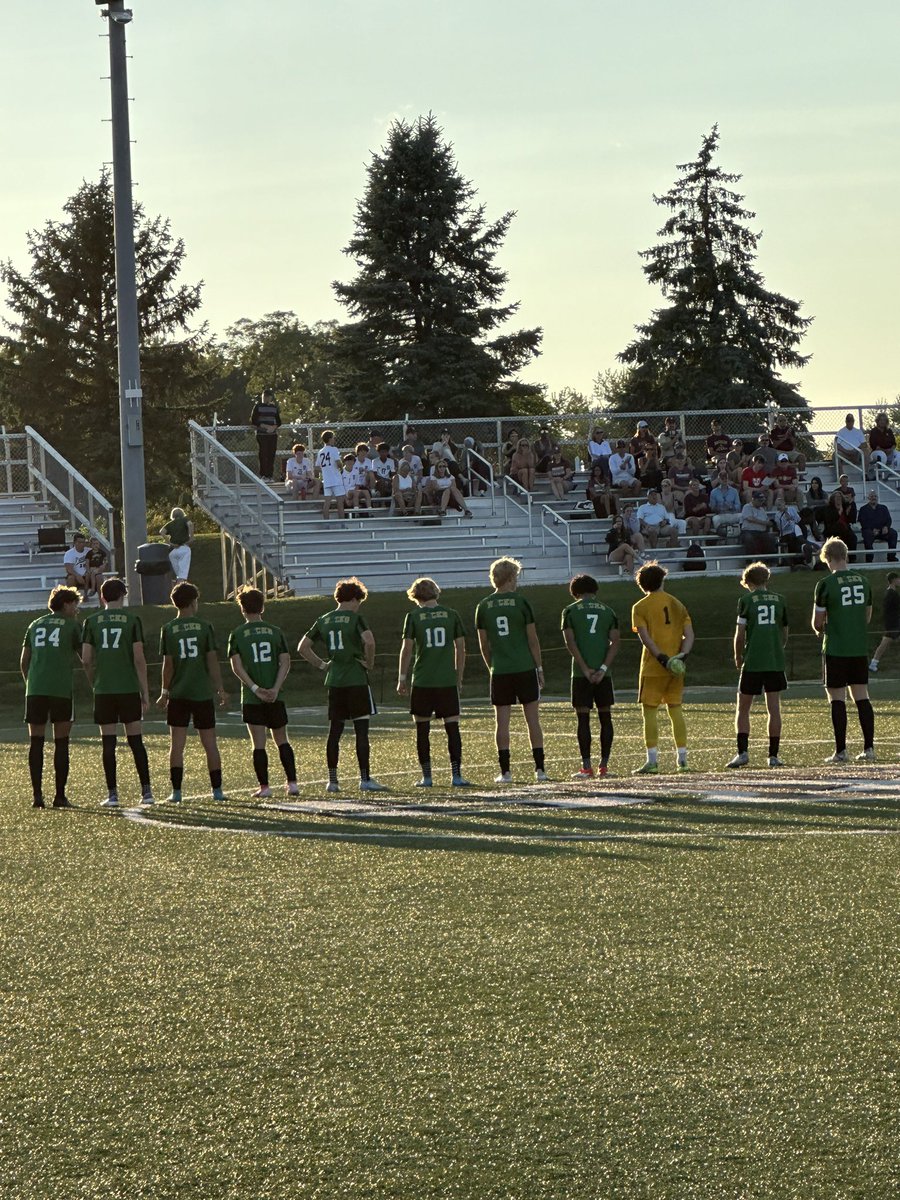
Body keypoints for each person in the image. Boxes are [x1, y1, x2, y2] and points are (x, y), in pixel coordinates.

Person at [297, 577, 386, 793]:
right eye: (359, 602)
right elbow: (370, 641)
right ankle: (365, 779)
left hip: (335, 680)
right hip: (356, 678)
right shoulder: (356, 618)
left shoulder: (324, 619)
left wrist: (322, 665)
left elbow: (303, 647)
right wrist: (370, 663)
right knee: (361, 731)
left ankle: (333, 781)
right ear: (354, 599)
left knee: (335, 731)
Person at [475, 557, 548, 783]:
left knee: (502, 722)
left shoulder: (484, 605)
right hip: (525, 667)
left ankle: (505, 772)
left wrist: (492, 667)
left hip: (501, 670)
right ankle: (540, 769)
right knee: (532, 720)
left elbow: (484, 645)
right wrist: (540, 667)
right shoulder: (521, 602)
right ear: (510, 578)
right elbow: (533, 640)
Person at [82, 577, 153, 807]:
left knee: (108, 743)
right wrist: (145, 692)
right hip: (128, 688)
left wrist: (94, 682)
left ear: (102, 596)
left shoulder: (91, 621)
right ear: (123, 595)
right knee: (136, 741)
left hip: (104, 689)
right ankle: (147, 792)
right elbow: (139, 658)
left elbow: (86, 660)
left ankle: (112, 794)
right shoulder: (132, 620)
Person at [157, 582, 228, 803]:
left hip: (178, 693)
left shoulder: (168, 628)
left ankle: (176, 792)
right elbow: (212, 661)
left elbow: (168, 665)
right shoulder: (204, 626)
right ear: (193, 602)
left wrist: (164, 691)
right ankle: (217, 791)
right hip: (201, 693)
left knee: (177, 745)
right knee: (210, 744)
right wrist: (220, 688)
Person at [397, 577, 470, 788]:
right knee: (452, 727)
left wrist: (402, 678)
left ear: (415, 595)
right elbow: (461, 648)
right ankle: (456, 775)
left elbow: (407, 650)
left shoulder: (413, 616)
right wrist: (459, 677)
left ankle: (427, 777)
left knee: (422, 728)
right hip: (446, 679)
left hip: (422, 680)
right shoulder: (451, 614)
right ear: (436, 592)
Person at [227, 585, 298, 800]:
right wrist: (275, 688)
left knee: (258, 744)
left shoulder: (237, 634)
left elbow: (236, 666)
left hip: (251, 696)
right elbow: (285, 661)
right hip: (276, 695)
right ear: (262, 607)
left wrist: (256, 689)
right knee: (282, 740)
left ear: (242, 609)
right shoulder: (275, 632)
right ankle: (292, 783)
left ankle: (265, 787)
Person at [812, 537, 874, 762]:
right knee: (862, 697)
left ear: (827, 558)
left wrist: (825, 628)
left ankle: (841, 750)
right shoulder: (864, 581)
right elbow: (867, 616)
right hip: (858, 646)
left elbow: (817, 623)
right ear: (845, 555)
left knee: (837, 698)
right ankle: (869, 748)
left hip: (836, 647)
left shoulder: (825, 584)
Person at [21, 585, 82, 808]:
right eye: (75, 604)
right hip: (61, 689)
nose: (77, 609)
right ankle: (60, 796)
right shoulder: (72, 626)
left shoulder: (34, 624)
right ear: (66, 604)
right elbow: (84, 656)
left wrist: (32, 682)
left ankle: (37, 797)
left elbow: (24, 661)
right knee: (61, 743)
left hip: (35, 689)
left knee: (36, 742)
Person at [632, 561, 693, 774]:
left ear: (641, 585)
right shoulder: (677, 603)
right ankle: (682, 760)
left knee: (649, 712)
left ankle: (652, 760)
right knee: (675, 710)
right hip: (676, 667)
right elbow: (689, 635)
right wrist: (681, 657)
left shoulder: (640, 607)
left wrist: (661, 658)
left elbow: (645, 638)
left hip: (653, 666)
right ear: (662, 580)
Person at [726, 563, 789, 769]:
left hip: (753, 660)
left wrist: (737, 654)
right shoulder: (780, 600)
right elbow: (785, 631)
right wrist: (777, 648)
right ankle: (773, 755)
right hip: (774, 660)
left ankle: (742, 752)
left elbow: (740, 633)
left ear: (748, 581)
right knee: (774, 709)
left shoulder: (745, 600)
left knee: (743, 707)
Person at [561, 574, 619, 778]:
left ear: (575, 592)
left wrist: (585, 669)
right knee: (605, 716)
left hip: (580, 673)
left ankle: (586, 766)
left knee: (583, 718)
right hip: (604, 673)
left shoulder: (569, 611)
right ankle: (604, 766)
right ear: (595, 590)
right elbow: (615, 642)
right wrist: (603, 668)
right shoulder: (608, 611)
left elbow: (570, 642)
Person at [869, 572, 900, 673]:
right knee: (884, 643)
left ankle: (873, 663)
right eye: (898, 579)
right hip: (893, 623)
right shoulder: (891, 594)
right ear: (894, 580)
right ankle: (873, 663)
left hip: (895, 622)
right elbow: (888, 610)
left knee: (884, 643)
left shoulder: (892, 593)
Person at [858, 490, 898, 563]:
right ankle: (869, 559)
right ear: (868, 498)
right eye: (872, 496)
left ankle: (891, 557)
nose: (874, 498)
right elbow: (862, 522)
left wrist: (886, 527)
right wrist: (872, 529)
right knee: (867, 534)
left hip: (882, 531)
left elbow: (889, 519)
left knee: (893, 533)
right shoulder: (863, 509)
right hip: (870, 531)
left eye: (875, 496)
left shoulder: (883, 508)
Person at [250, 387, 281, 479]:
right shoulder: (258, 406)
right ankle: (263, 475)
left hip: (272, 434)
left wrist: (273, 427)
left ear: (271, 397)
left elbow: (279, 422)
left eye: (267, 396)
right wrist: (265, 426)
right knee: (263, 454)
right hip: (262, 434)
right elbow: (253, 420)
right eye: (264, 396)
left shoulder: (274, 407)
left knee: (271, 454)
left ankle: (270, 475)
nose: (265, 398)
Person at [315, 429, 346, 521]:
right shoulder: (334, 449)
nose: (334, 440)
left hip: (327, 480)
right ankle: (342, 523)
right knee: (340, 503)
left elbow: (317, 467)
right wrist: (341, 468)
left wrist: (325, 470)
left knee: (327, 503)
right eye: (333, 438)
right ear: (329, 439)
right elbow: (338, 462)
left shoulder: (320, 452)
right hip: (336, 480)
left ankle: (326, 523)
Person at [740, 490, 778, 557]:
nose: (761, 502)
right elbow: (750, 519)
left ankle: (769, 560)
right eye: (759, 501)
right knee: (748, 538)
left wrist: (766, 523)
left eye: (762, 501)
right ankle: (750, 560)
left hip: (761, 532)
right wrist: (763, 523)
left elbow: (768, 522)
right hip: (748, 531)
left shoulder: (762, 510)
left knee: (771, 538)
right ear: (754, 499)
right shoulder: (747, 507)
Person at [160, 506, 192, 582]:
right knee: (183, 574)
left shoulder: (170, 524)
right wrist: (191, 537)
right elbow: (190, 524)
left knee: (179, 574)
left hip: (173, 552)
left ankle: (177, 587)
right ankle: (181, 589)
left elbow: (162, 532)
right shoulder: (184, 519)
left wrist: (170, 543)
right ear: (182, 514)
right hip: (184, 548)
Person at [821, 491, 858, 557]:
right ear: (833, 499)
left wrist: (849, 512)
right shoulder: (828, 508)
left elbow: (852, 520)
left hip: (845, 530)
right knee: (841, 529)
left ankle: (852, 558)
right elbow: (829, 520)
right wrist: (839, 513)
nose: (838, 499)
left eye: (840, 497)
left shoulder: (846, 507)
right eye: (836, 497)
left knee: (853, 537)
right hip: (832, 530)